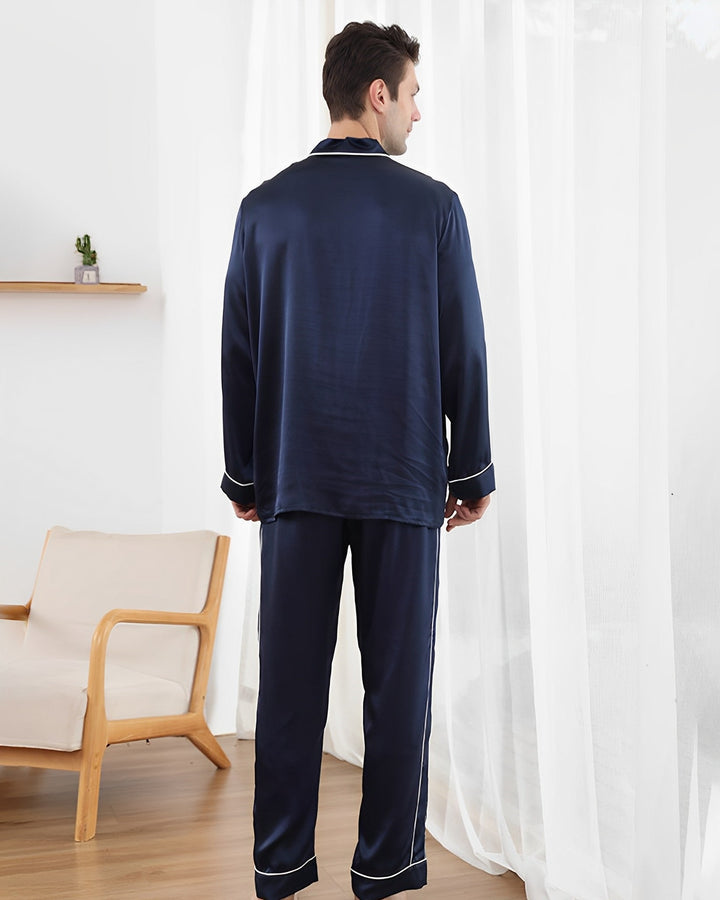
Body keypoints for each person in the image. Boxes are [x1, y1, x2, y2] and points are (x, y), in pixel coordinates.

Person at [221, 21, 494, 900]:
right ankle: (384, 869)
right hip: (403, 480)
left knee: (290, 691)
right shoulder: (433, 206)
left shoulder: (264, 207)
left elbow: (240, 354)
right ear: (377, 95)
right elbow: (467, 351)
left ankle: (281, 867)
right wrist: (471, 472)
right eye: (413, 92)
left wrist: (245, 477)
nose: (419, 108)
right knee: (397, 690)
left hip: (297, 478)